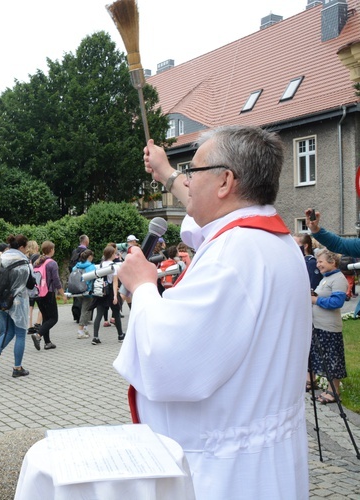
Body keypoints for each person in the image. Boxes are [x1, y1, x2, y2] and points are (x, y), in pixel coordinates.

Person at [114, 126, 311, 499]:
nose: (186, 179)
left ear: (225, 181)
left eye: (192, 170)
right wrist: (165, 171)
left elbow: (169, 359)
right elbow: (199, 224)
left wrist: (142, 286)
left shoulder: (231, 258)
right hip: (264, 458)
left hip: (225, 473)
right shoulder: (272, 241)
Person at [0, 234, 32, 378]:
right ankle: (17, 368)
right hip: (18, 301)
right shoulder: (24, 261)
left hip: (1, 300)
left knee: (7, 332)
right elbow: (30, 284)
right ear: (22, 247)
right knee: (20, 334)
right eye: (26, 247)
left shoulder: (1, 258)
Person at [308, 250, 347, 404]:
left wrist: (315, 300)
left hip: (330, 328)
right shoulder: (326, 278)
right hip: (320, 327)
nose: (318, 265)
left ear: (332, 262)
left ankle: (334, 392)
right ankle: (329, 389)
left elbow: (337, 302)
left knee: (333, 361)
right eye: (317, 262)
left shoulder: (338, 279)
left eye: (321, 262)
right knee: (324, 360)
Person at [31, 241, 62, 350]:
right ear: (51, 250)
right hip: (48, 293)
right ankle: (38, 335)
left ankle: (47, 342)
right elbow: (56, 280)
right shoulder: (52, 263)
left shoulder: (37, 262)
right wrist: (62, 294)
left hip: (38, 293)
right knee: (53, 318)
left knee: (46, 317)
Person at [90, 245, 123, 344]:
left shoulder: (100, 265)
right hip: (110, 292)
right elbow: (115, 281)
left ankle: (95, 337)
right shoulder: (114, 266)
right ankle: (120, 336)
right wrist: (114, 296)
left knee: (99, 314)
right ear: (112, 254)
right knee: (116, 313)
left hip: (100, 292)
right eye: (115, 253)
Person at [72, 249, 95, 339]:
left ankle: (85, 329)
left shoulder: (76, 266)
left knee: (86, 310)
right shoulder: (91, 267)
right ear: (89, 257)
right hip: (87, 291)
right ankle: (80, 331)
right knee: (85, 311)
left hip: (77, 290)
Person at [68, 235, 89, 322]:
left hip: (74, 274)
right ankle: (83, 316)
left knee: (75, 294)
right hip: (83, 275)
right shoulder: (86, 251)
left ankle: (76, 314)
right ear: (86, 241)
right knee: (83, 294)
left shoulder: (74, 251)